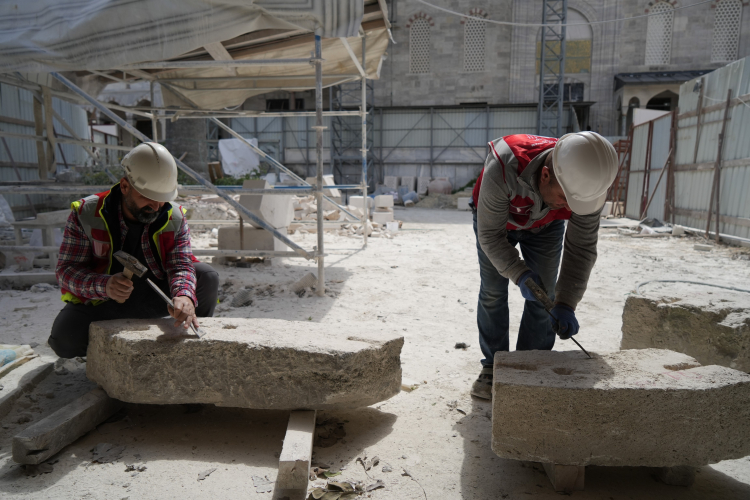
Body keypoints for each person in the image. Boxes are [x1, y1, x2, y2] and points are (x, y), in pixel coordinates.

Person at [469, 132, 618, 399]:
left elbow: (582, 247)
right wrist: (518, 273)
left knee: (545, 296)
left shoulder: (588, 186)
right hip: (496, 225)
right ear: (546, 175)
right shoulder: (504, 165)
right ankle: (493, 365)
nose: (570, 207)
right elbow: (490, 236)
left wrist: (567, 302)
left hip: (545, 227)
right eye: (565, 199)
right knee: (493, 292)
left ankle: (529, 367)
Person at [48, 142, 219, 358]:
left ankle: (190, 339)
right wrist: (104, 285)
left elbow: (181, 264)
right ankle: (108, 357)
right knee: (64, 340)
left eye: (161, 199)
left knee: (207, 276)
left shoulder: (173, 216)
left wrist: (183, 295)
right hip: (104, 300)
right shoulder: (86, 214)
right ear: (125, 186)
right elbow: (66, 271)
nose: (156, 207)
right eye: (148, 197)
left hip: (156, 296)